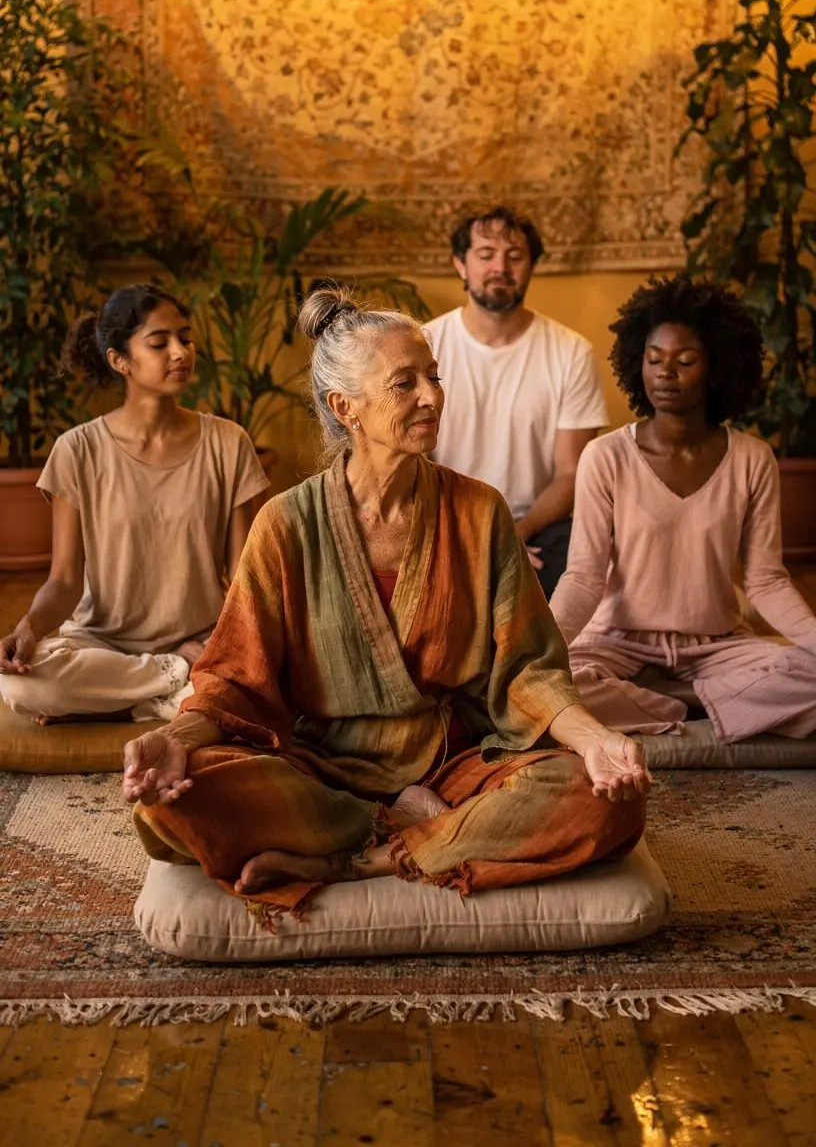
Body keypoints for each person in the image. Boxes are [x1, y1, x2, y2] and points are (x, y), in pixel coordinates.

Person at [124, 287, 649, 930]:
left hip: (455, 766)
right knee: (167, 807)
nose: (432, 396)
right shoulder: (285, 524)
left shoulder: (480, 513)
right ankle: (386, 828)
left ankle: (354, 863)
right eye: (405, 384)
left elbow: (530, 673)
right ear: (347, 408)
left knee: (598, 802)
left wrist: (596, 740)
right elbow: (232, 679)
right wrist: (173, 740)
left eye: (433, 377)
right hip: (320, 773)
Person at [549, 275, 816, 742]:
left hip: (715, 646)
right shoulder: (605, 456)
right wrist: (537, 652)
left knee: (807, 673)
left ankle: (679, 702)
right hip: (616, 642)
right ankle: (702, 707)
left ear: (716, 369)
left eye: (685, 361)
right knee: (546, 687)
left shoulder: (753, 458)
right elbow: (584, 577)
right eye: (654, 360)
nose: (665, 373)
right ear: (638, 363)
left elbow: (766, 579)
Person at [0, 284, 270, 724]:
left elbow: (244, 577)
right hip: (101, 645)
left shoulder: (229, 443)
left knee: (272, 678)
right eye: (159, 343)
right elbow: (65, 580)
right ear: (119, 360)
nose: (181, 352)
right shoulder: (77, 450)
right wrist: (27, 629)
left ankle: (116, 699)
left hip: (202, 641)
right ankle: (169, 688)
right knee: (19, 683)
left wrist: (228, 648)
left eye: (185, 338)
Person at [425, 207, 608, 597]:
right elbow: (410, 461)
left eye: (515, 255)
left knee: (588, 564)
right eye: (486, 254)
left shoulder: (570, 352)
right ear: (461, 264)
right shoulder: (425, 346)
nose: (500, 267)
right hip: (444, 521)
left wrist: (513, 536)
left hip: (537, 526)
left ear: (531, 266)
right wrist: (470, 537)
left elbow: (572, 474)